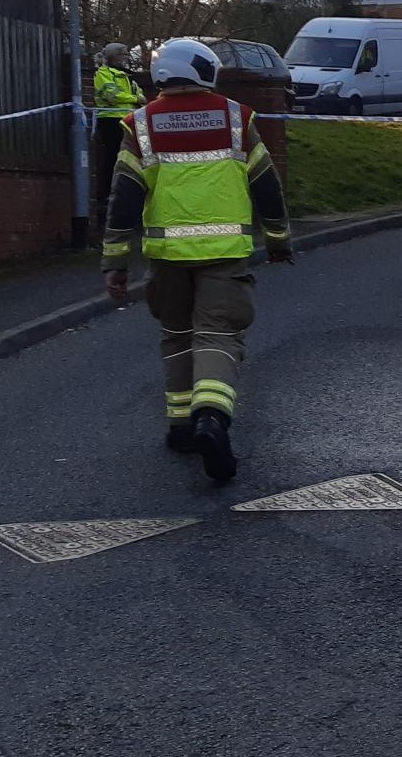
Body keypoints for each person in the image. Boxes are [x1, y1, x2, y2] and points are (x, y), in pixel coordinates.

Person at [101, 38, 292, 483]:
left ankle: (181, 426)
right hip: (224, 255)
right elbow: (267, 184)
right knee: (218, 336)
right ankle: (212, 418)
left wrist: (115, 262)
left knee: (176, 336)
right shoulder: (236, 118)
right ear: (205, 71)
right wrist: (279, 239)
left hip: (167, 257)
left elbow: (123, 198)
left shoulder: (140, 124)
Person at [89, 43, 145, 233]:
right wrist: (135, 99)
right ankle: (109, 192)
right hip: (111, 119)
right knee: (115, 156)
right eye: (123, 55)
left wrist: (138, 99)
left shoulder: (127, 75)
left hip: (129, 119)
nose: (126, 58)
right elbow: (111, 95)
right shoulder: (104, 73)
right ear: (114, 56)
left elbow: (139, 93)